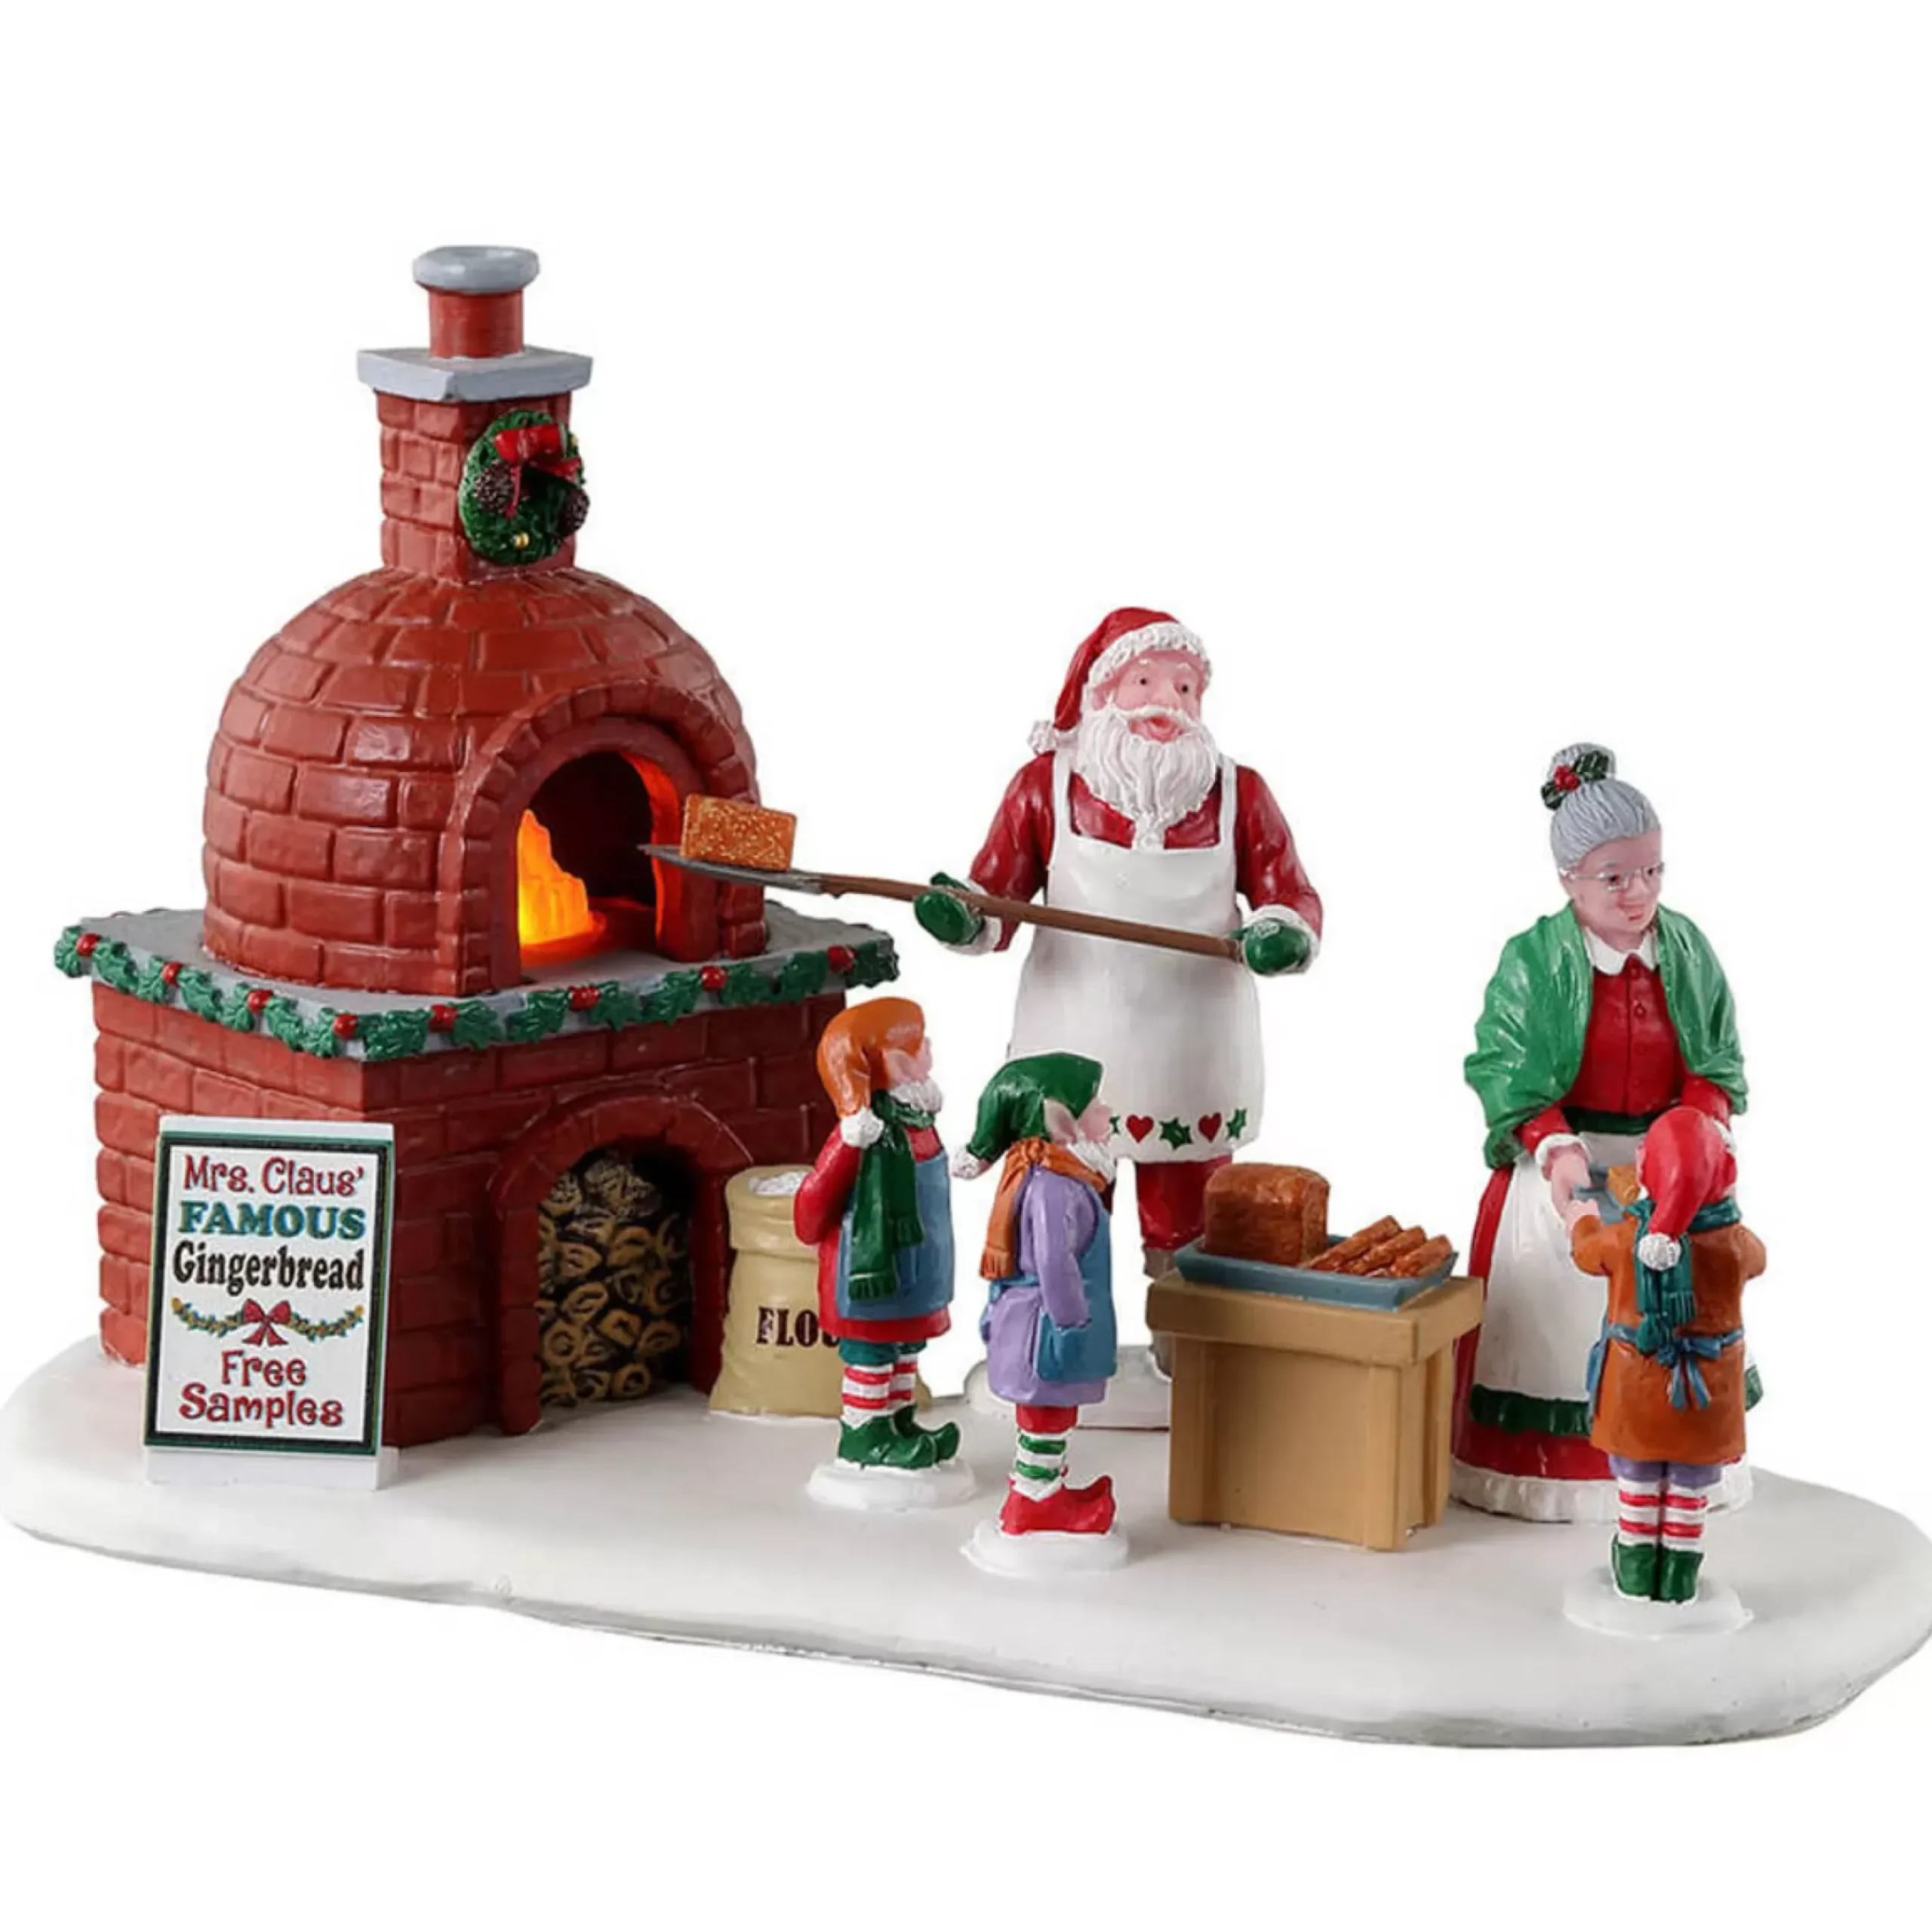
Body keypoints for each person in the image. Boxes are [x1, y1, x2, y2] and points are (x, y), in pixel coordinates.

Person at [915, 608, 1321, 1420]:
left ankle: (1187, 1364)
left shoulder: (1238, 793)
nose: (1167, 702)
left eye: (1185, 687)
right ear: (1101, 694)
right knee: (1058, 1209)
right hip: (1072, 1041)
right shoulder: (1043, 788)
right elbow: (997, 899)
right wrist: (964, 917)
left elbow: (1290, 894)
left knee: (1189, 1223)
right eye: (1145, 681)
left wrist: (1282, 933)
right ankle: (1053, 1356)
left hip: (1190, 1050)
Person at [1455, 743, 1749, 1521]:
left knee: (1687, 1290)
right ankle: (1552, 1463)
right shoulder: (1532, 959)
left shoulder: (1687, 952)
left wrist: (1695, 1130)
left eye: (1651, 870)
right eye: (1614, 877)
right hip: (1564, 1154)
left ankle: (1684, 1465)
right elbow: (1502, 1063)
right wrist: (1551, 1143)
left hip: (1671, 1161)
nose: (1637, 892)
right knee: (1557, 1284)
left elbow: (1717, 1059)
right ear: (1569, 879)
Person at [1566, 1107, 1767, 1603]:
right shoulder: (1737, 1245)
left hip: (1637, 1391)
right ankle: (1678, 1577)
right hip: (1705, 1394)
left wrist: (1581, 1218)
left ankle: (1636, 1572)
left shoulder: (1623, 1240)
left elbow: (1586, 1252)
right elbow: (1758, 1258)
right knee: (1688, 1490)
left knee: (1638, 1482)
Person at [953, 1054, 1121, 1540]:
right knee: (1045, 1413)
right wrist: (1071, 1323)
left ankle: (1048, 1492)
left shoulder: (1061, 1176)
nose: (1107, 1112)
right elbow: (1053, 1260)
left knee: (1054, 1413)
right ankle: (1034, 1502)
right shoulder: (1055, 1186)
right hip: (1046, 1325)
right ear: (1062, 1121)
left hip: (1038, 1319)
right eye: (1096, 1105)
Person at [793, 998, 961, 1475]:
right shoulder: (859, 1137)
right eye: (918, 1044)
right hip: (869, 1280)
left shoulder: (920, 1125)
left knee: (905, 1354)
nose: (929, 1049)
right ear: (892, 1062)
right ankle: (865, 1435)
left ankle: (899, 1425)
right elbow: (810, 1211)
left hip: (919, 1274)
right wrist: (848, 1147)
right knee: (872, 1357)